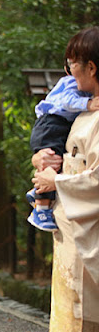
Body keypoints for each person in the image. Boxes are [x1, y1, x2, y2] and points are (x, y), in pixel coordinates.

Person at [31, 27, 99, 332]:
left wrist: (55, 183)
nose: (69, 71)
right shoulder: (80, 111)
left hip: (90, 242)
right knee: (66, 324)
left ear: (91, 66)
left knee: (86, 327)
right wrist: (40, 158)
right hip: (70, 238)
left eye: (75, 63)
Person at [26, 73, 98, 231]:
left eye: (75, 64)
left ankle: (40, 200)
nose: (72, 70)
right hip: (51, 124)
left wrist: (57, 182)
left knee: (53, 160)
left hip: (83, 230)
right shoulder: (72, 85)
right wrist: (88, 104)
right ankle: (41, 206)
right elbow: (66, 100)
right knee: (51, 158)